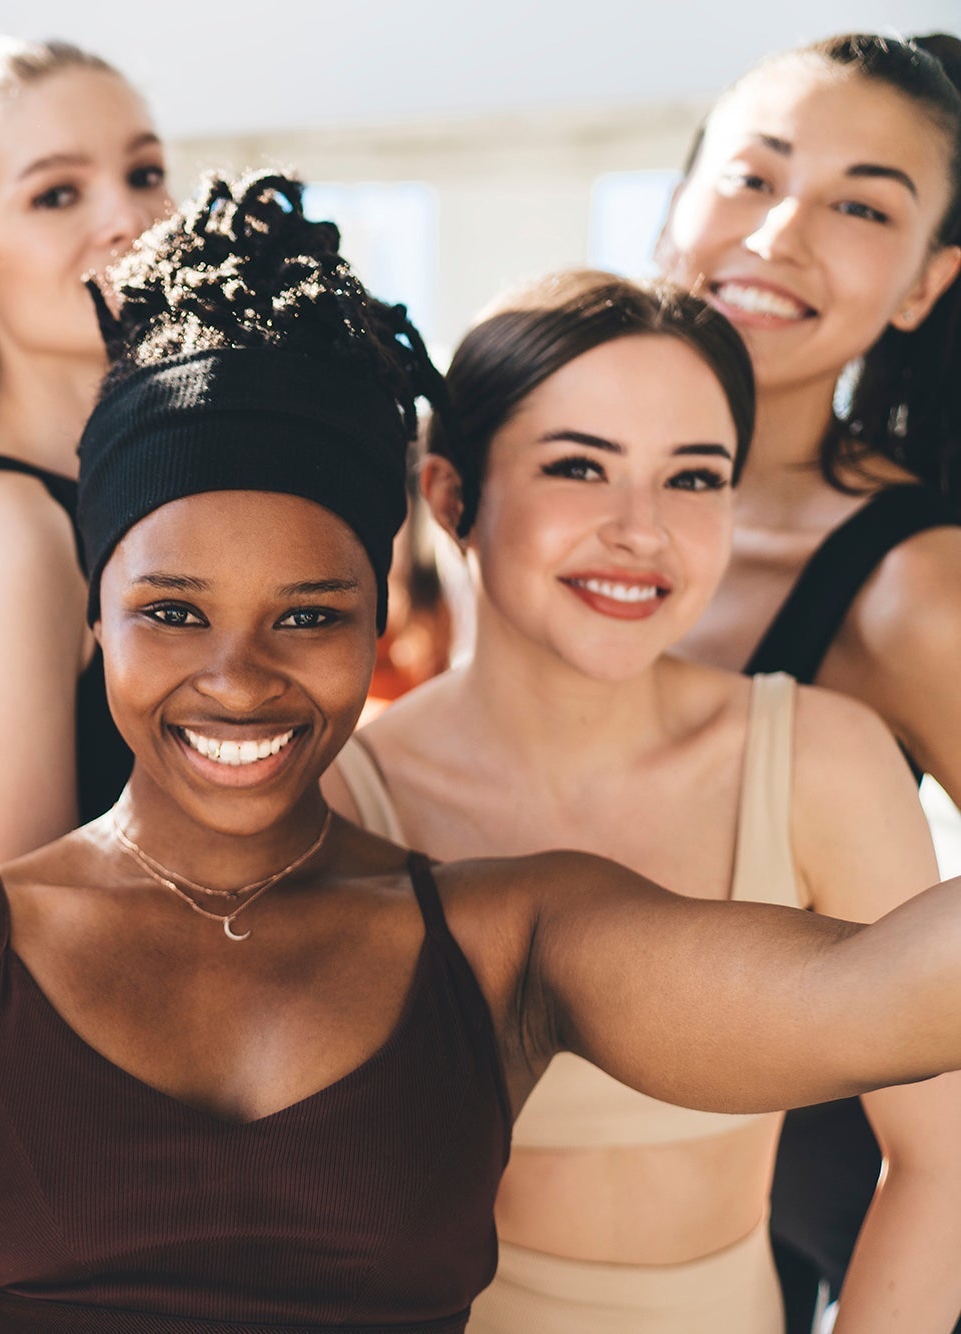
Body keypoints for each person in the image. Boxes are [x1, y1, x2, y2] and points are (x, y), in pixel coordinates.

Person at [0, 171, 961, 1334]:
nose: (237, 678)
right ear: (95, 618)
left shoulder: (508, 938)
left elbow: (871, 996)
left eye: (307, 614)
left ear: (376, 620)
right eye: (173, 612)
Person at [322, 269, 961, 1331]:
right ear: (447, 495)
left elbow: (941, 1160)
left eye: (693, 477)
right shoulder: (346, 799)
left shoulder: (816, 758)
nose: (640, 529)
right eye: (578, 466)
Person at [658, 33, 961, 1326]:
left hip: (799, 1233)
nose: (780, 231)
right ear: (681, 200)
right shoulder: (502, 488)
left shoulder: (911, 585)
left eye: (859, 205)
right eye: (752, 174)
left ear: (922, 285)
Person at [0, 38, 172, 875]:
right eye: (58, 194)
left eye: (144, 173)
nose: (126, 219)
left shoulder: (155, 494)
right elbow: (14, 917)